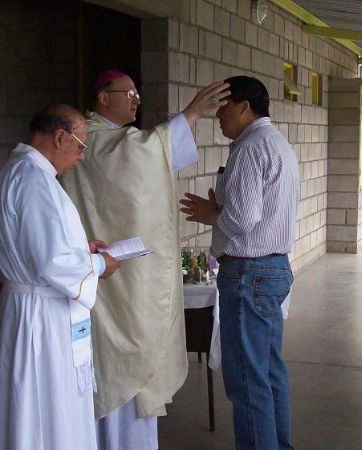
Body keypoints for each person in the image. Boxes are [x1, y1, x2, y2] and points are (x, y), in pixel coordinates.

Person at [61, 70, 230, 450]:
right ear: (103, 98)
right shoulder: (90, 139)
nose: (136, 100)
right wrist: (190, 115)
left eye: (138, 93)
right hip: (107, 281)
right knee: (115, 360)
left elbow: (144, 152)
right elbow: (140, 154)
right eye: (129, 93)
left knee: (135, 352)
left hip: (125, 274)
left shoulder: (116, 139)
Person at [0, 104, 120, 450]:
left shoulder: (19, 173)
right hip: (42, 317)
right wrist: (101, 264)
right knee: (50, 407)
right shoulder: (35, 181)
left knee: (34, 403)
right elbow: (52, 263)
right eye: (80, 147)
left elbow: (36, 244)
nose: (80, 157)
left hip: (29, 305)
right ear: (60, 137)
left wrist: (82, 248)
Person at [180, 75, 299, 450]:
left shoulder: (250, 147)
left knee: (247, 381)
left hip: (249, 273)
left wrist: (212, 212)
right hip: (272, 268)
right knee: (268, 373)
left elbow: (242, 220)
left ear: (245, 107)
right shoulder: (277, 143)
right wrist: (223, 209)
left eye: (223, 108)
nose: (218, 117)